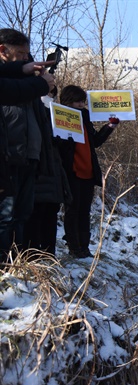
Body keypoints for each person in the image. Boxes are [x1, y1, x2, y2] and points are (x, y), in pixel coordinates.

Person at [0, 29, 57, 262]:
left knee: (22, 214)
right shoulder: (10, 86)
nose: (26, 58)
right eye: (21, 53)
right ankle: (5, 267)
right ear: (3, 51)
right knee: (6, 215)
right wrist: (39, 84)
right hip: (8, 155)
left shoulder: (24, 80)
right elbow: (13, 93)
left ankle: (18, 263)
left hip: (29, 156)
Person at [58, 85, 119, 258]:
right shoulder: (60, 116)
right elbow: (59, 145)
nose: (80, 105)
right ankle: (74, 247)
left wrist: (109, 127)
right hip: (72, 171)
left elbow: (95, 141)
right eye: (77, 101)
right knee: (72, 210)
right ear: (67, 101)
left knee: (84, 211)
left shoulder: (85, 117)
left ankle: (84, 248)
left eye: (82, 101)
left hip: (88, 171)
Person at [23, 83, 71, 256]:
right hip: (39, 171)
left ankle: (49, 255)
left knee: (50, 215)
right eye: (48, 92)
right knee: (36, 215)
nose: (51, 97)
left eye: (53, 93)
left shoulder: (56, 113)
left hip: (54, 172)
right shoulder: (33, 111)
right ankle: (34, 255)